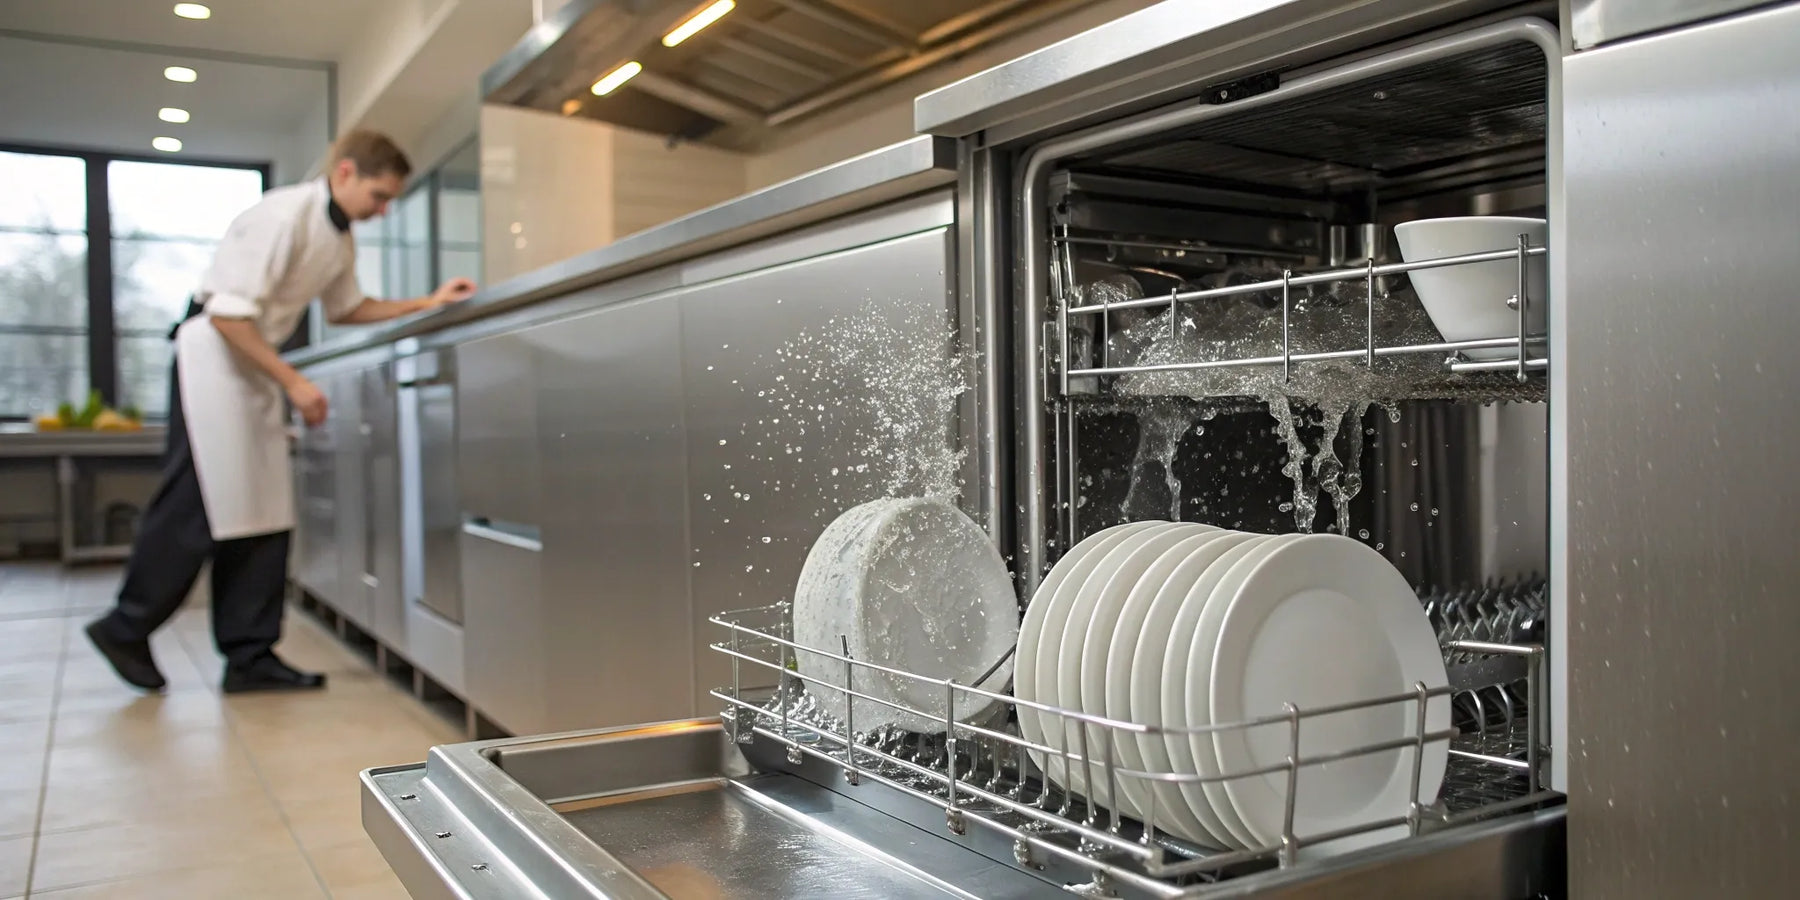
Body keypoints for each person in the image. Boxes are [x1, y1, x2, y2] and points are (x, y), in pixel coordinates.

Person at [84, 130, 477, 694]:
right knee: (197, 504)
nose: (383, 210)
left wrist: (428, 301)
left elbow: (348, 308)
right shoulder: (280, 216)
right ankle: (126, 626)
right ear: (345, 173)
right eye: (379, 196)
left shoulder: (338, 240)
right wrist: (293, 381)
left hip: (252, 369)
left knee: (264, 511)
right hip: (214, 363)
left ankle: (250, 654)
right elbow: (228, 316)